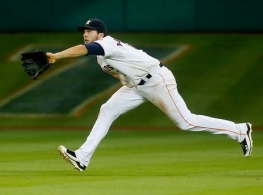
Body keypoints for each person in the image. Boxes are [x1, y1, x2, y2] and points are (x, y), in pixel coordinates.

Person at [46, 19, 253, 172]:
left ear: (100, 35)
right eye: (84, 30)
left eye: (90, 31)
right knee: (107, 109)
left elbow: (83, 49)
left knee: (186, 122)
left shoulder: (107, 43)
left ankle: (239, 131)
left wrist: (56, 55)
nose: (85, 33)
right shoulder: (101, 57)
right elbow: (118, 70)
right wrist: (122, 78)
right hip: (137, 86)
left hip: (157, 80)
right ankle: (82, 157)